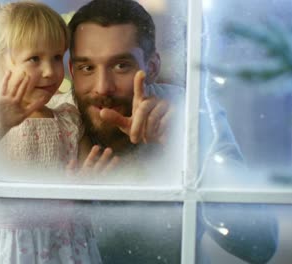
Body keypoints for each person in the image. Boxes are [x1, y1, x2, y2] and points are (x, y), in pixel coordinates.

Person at [65, 0, 278, 263]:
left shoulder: (190, 113)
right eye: (87, 68)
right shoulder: (47, 124)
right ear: (72, 72)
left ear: (151, 68)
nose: (102, 88)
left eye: (121, 65)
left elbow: (261, 245)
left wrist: (185, 146)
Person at [0, 2, 117, 263]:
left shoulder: (69, 119)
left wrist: (87, 184)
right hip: (15, 247)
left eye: (57, 57)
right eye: (34, 59)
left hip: (68, 245)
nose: (51, 71)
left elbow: (87, 172)